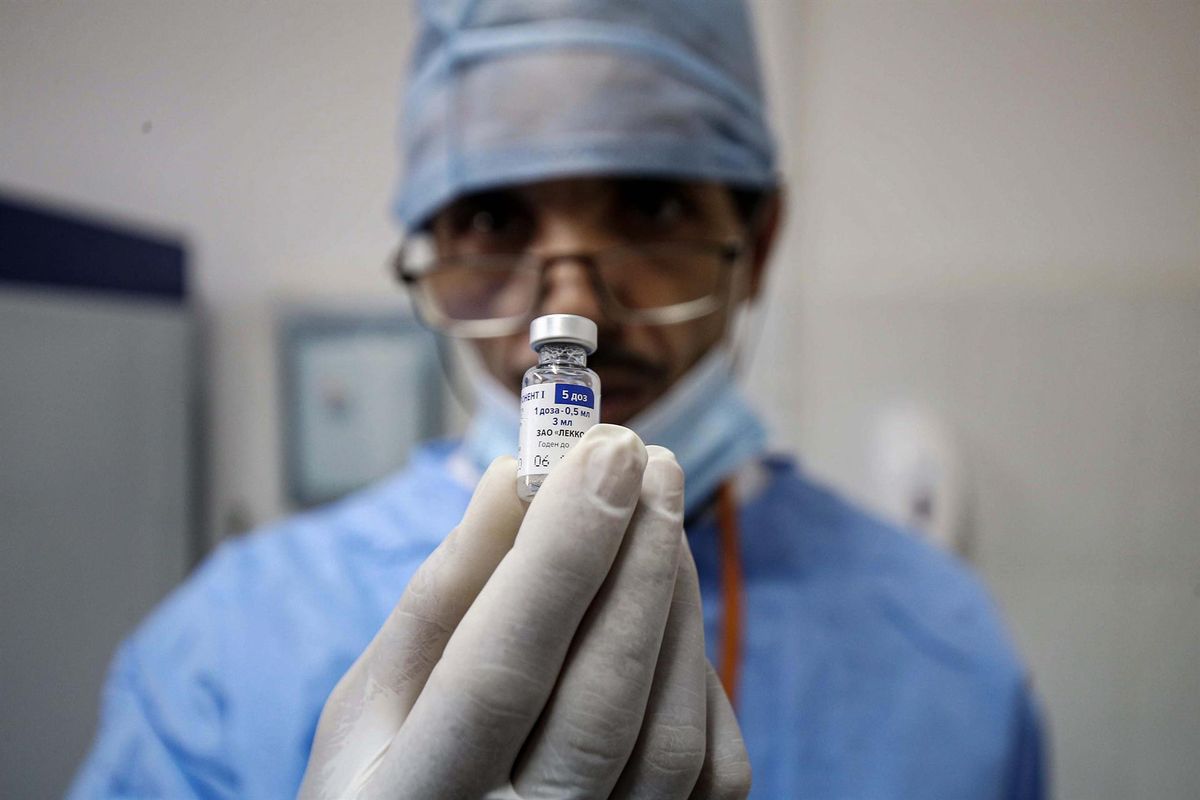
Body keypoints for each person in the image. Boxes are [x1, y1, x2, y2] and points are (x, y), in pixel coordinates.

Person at [70, 2, 1045, 798]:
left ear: (761, 239)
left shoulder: (946, 656)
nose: (570, 306)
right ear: (433, 257)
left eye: (652, 206)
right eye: (494, 218)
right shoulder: (224, 653)